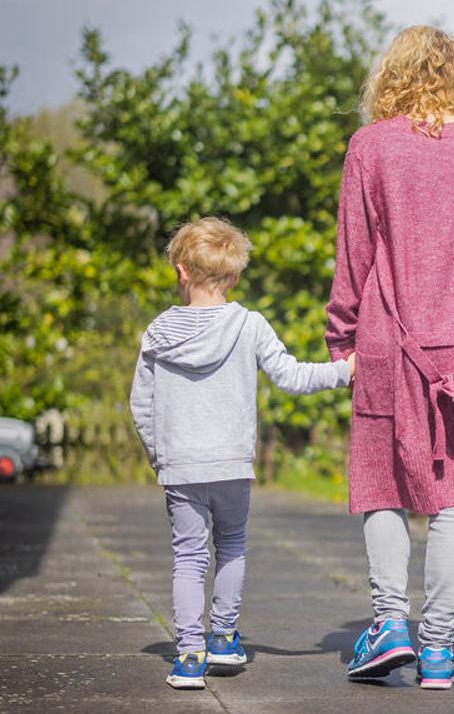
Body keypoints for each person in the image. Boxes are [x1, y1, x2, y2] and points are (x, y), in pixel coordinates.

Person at [325, 25, 454, 690]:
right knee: (452, 497)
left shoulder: (370, 147)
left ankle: (391, 625)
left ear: (390, 74)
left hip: (387, 340)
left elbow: (353, 256)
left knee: (381, 484)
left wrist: (341, 338)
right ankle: (438, 651)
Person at [129, 216, 354, 689]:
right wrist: (344, 370)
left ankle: (189, 655)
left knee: (188, 557)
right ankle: (224, 638)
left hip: (181, 467)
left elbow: (141, 405)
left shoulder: (158, 332)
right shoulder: (249, 325)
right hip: (231, 463)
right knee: (230, 546)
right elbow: (292, 377)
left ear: (181, 270)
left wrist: (160, 455)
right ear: (233, 276)